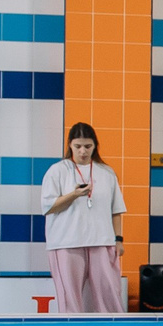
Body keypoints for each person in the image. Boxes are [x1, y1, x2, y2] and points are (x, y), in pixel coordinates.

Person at [40, 122, 126, 313]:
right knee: (70, 297)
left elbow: (116, 210)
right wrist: (74, 195)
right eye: (78, 146)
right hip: (66, 242)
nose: (83, 151)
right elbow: (48, 207)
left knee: (109, 294)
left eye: (88, 146)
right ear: (70, 145)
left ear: (95, 146)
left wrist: (118, 239)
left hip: (101, 241)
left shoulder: (107, 173)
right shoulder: (57, 171)